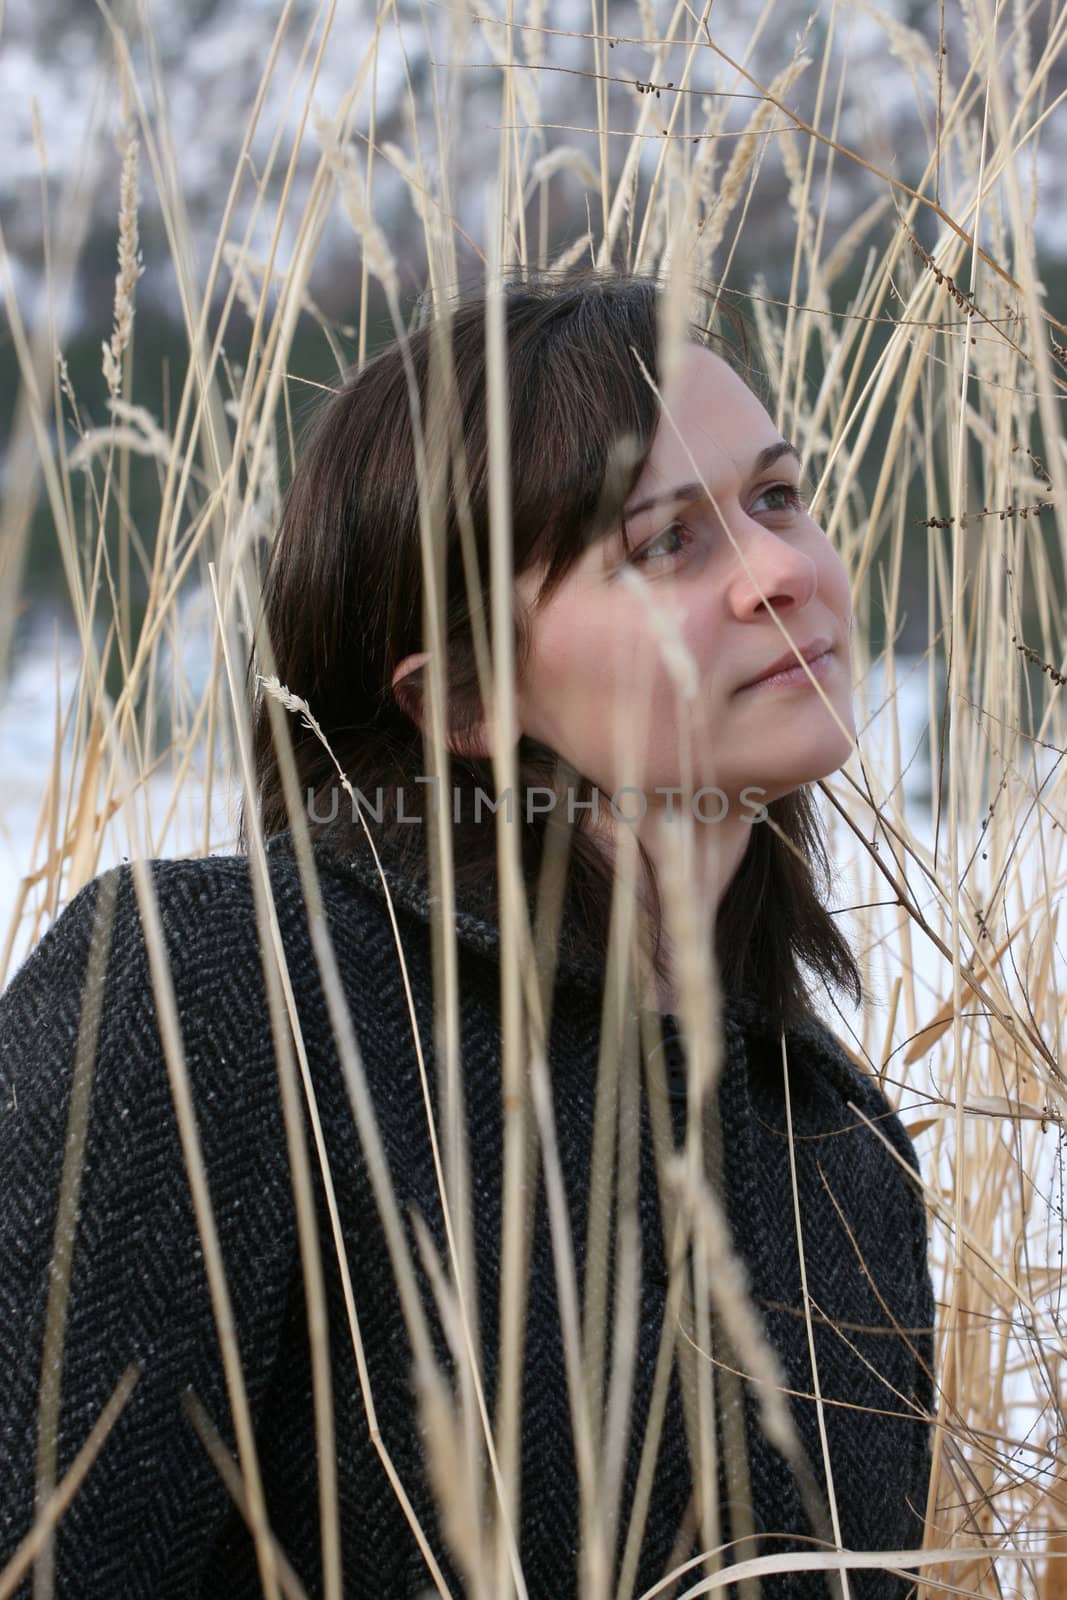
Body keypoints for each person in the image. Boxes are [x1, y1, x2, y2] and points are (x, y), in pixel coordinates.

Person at [0, 270, 935, 1599]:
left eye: (777, 495)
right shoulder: (216, 993)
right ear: (466, 700)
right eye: (666, 542)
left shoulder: (838, 1153)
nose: (782, 570)